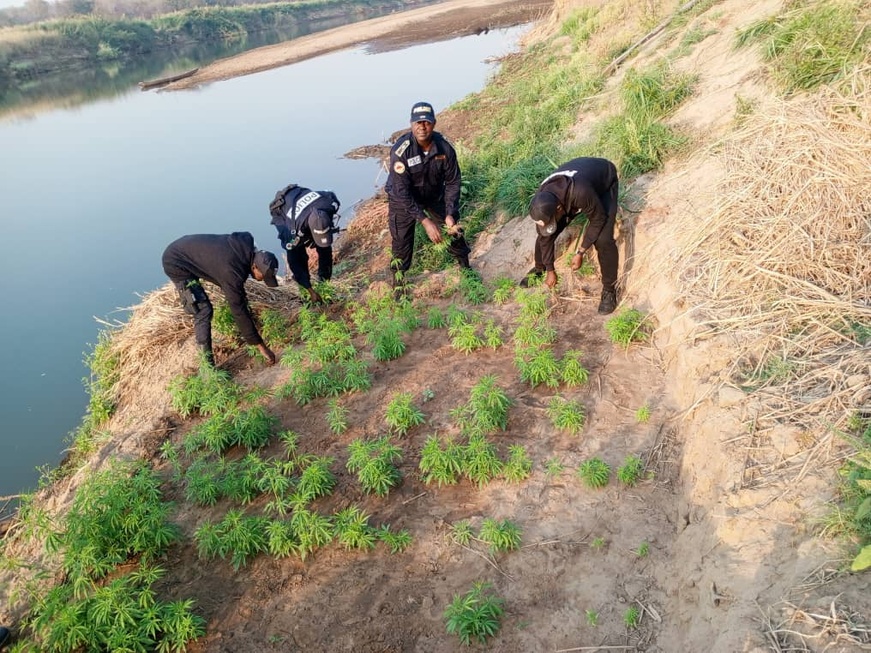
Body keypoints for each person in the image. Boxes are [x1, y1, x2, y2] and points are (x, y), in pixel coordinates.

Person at [385, 101, 472, 292]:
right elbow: (401, 192)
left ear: (433, 123)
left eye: (426, 122)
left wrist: (450, 212)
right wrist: (425, 221)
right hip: (403, 199)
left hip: (433, 195)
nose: (422, 127)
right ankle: (399, 286)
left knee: (453, 230)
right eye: (418, 122)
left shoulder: (444, 148)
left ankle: (466, 269)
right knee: (401, 243)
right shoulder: (402, 151)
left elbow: (453, 182)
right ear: (411, 124)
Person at [162, 232, 278, 366]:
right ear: (254, 266)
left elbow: (238, 296)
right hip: (176, 260)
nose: (262, 280)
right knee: (203, 311)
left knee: (237, 297)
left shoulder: (245, 248)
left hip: (191, 249)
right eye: (263, 276)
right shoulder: (231, 272)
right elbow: (238, 310)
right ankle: (207, 367)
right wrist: (262, 347)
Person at [523, 157, 620, 315]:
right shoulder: (542, 201)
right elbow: (545, 236)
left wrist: (581, 251)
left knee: (603, 240)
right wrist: (550, 269)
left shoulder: (580, 193)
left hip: (603, 180)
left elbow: (598, 219)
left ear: (560, 208)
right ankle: (538, 269)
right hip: (577, 179)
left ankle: (609, 290)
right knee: (545, 234)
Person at [268, 183, 341, 304]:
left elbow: (325, 250)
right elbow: (295, 263)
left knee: (324, 249)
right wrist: (310, 289)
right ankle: (305, 291)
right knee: (299, 255)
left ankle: (324, 281)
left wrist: (325, 283)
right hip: (282, 209)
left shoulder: (329, 202)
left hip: (304, 198)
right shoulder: (292, 233)